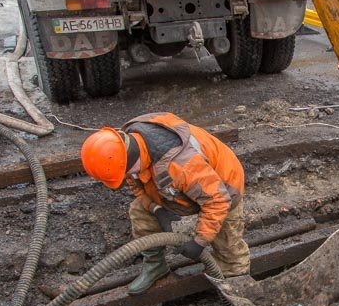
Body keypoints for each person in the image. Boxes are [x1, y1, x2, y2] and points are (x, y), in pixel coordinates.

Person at [80, 112, 250, 294]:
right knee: (140, 211)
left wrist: (200, 241)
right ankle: (155, 265)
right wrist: (156, 208)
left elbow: (217, 201)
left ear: (128, 162)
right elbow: (136, 183)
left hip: (223, 187)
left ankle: (238, 291)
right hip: (183, 183)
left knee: (227, 244)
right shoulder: (125, 147)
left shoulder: (181, 166)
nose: (125, 179)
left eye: (124, 175)